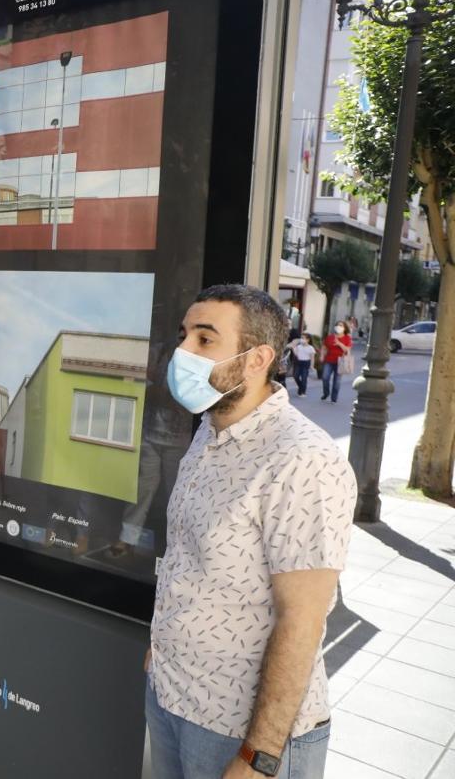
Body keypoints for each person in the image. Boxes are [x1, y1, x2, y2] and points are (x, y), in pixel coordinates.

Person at [148, 284, 355, 779]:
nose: (182, 352)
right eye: (183, 336)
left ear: (258, 358)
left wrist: (259, 757)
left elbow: (302, 620)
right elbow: (189, 558)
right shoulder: (210, 429)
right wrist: (161, 649)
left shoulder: (303, 459)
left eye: (204, 339)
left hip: (238, 732)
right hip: (172, 695)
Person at [320, 321, 353, 402]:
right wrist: (322, 355)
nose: (338, 326)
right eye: (337, 325)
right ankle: (326, 393)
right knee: (325, 377)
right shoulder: (330, 337)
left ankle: (334, 398)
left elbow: (347, 350)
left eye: (341, 325)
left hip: (341, 362)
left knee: (337, 381)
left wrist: (339, 343)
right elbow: (324, 347)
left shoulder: (347, 338)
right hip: (329, 360)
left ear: (344, 328)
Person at [287, 333, 316, 398]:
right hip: (298, 363)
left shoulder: (311, 348)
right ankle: (301, 387)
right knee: (295, 376)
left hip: (306, 363)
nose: (301, 339)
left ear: (308, 340)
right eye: (301, 338)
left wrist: (312, 366)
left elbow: (312, 358)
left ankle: (303, 392)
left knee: (304, 378)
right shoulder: (299, 346)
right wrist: (293, 347)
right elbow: (296, 354)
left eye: (303, 338)